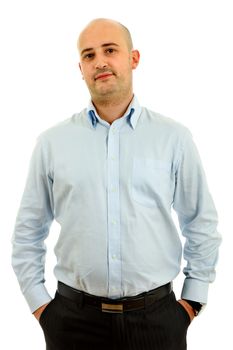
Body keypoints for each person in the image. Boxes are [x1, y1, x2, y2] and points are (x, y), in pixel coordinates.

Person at [12, 18, 221, 350]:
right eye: (89, 55)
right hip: (72, 323)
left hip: (158, 322)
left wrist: (191, 302)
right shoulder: (52, 143)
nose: (100, 62)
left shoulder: (174, 139)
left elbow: (201, 222)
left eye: (110, 50)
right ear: (80, 68)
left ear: (133, 59)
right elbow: (28, 230)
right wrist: (41, 307)